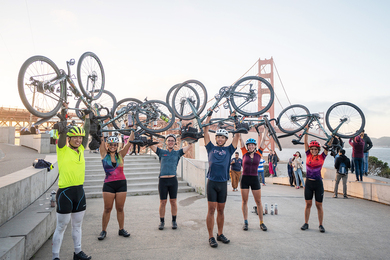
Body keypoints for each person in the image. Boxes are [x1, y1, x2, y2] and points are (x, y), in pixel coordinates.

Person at [52, 108, 91, 260]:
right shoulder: (62, 149)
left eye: (79, 138)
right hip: (65, 193)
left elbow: (86, 132)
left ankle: (78, 252)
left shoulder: (81, 149)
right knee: (61, 227)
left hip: (79, 192)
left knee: (77, 226)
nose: (78, 140)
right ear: (69, 138)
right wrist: (64, 114)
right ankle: (55, 257)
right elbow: (62, 134)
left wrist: (87, 117)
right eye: (74, 137)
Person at [204, 110, 239, 248]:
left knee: (221, 210)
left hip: (223, 184)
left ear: (225, 139)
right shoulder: (210, 148)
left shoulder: (229, 150)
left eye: (222, 137)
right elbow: (205, 130)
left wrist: (235, 118)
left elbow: (237, 134)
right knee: (211, 210)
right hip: (212, 183)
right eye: (218, 137)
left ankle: (220, 234)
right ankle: (211, 236)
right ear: (216, 138)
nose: (220, 139)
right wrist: (209, 115)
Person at [150, 134, 193, 230]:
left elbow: (189, 147)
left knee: (173, 202)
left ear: (174, 143)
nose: (170, 142)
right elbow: (151, 146)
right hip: (163, 180)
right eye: (169, 140)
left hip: (173, 180)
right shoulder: (161, 152)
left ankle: (174, 221)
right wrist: (149, 140)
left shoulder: (177, 153)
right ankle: (162, 222)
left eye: (172, 141)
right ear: (166, 142)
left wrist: (190, 140)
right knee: (163, 202)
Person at [97, 131, 135, 241]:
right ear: (107, 145)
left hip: (121, 184)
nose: (113, 147)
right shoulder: (104, 154)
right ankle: (103, 230)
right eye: (111, 145)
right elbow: (101, 141)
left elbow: (129, 142)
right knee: (107, 209)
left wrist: (133, 129)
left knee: (120, 208)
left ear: (117, 146)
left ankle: (121, 229)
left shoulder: (121, 154)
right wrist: (100, 128)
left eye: (115, 145)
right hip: (108, 184)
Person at [301, 125, 333, 233]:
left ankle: (320, 225)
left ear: (318, 149)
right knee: (308, 204)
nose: (314, 150)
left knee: (319, 204)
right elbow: (305, 142)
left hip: (318, 183)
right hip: (309, 183)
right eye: (312, 149)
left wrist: (332, 135)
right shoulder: (308, 155)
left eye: (315, 149)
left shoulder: (322, 156)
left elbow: (329, 144)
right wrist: (306, 130)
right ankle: (306, 223)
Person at [239, 127, 268, 232]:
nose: (251, 146)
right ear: (247, 146)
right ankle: (246, 222)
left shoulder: (259, 153)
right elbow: (240, 139)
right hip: (245, 178)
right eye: (249, 145)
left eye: (252, 145)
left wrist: (266, 129)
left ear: (255, 146)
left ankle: (261, 222)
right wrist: (237, 128)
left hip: (255, 178)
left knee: (258, 201)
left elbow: (264, 140)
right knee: (244, 201)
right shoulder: (243, 153)